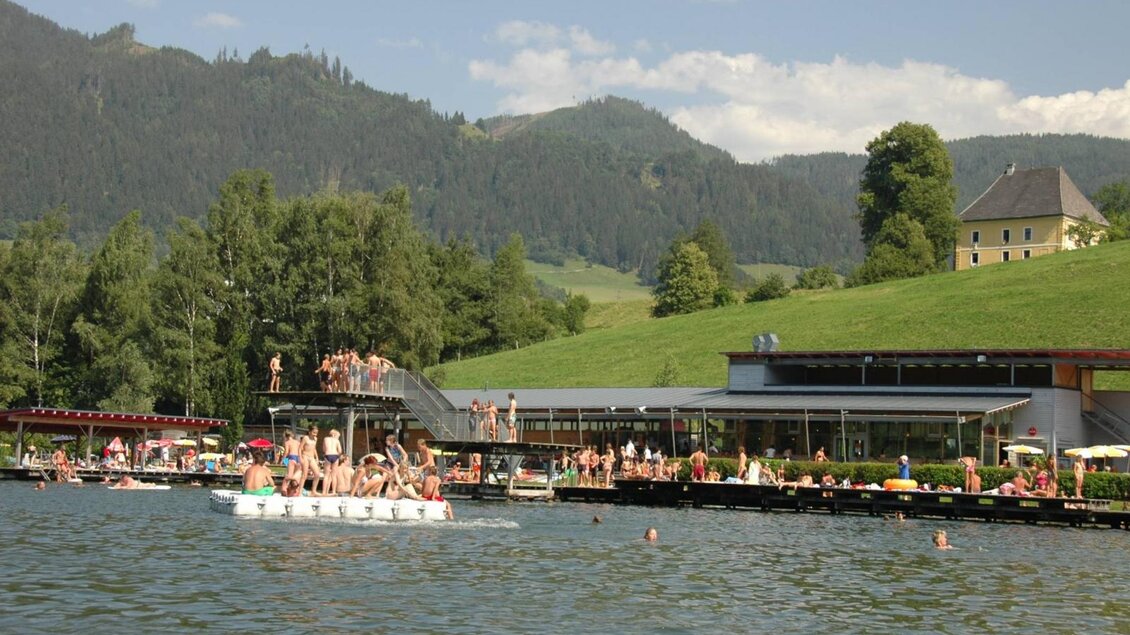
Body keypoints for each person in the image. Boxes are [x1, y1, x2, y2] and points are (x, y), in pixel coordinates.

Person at [299, 426, 321, 494]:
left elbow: (314, 448)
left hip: (312, 457)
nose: (315, 434)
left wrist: (317, 457)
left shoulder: (315, 439)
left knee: (317, 474)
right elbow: (300, 448)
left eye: (316, 433)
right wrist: (300, 458)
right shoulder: (306, 438)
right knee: (304, 475)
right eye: (314, 432)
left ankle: (313, 490)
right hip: (305, 456)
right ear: (310, 432)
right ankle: (299, 491)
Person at [321, 429, 343, 495]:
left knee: (326, 475)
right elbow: (340, 451)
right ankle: (333, 491)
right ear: (334, 435)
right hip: (335, 455)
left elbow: (324, 449)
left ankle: (324, 492)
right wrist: (337, 455)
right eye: (338, 436)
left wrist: (325, 453)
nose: (338, 438)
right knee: (334, 475)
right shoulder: (337, 440)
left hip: (328, 455)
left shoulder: (325, 439)